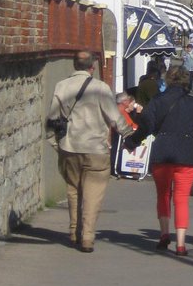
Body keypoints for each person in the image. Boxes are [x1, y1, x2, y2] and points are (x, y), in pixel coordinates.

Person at [125, 64, 193, 256]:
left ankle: (164, 234)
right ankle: (181, 244)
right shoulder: (192, 103)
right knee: (181, 199)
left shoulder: (158, 101)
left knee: (163, 195)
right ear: (186, 81)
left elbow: (146, 126)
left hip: (162, 151)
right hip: (186, 154)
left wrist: (132, 142)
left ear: (168, 80)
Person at [48, 51, 134, 251]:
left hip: (70, 146)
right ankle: (87, 237)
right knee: (92, 195)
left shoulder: (61, 86)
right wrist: (129, 136)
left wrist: (55, 144)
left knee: (73, 190)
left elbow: (52, 119)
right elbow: (115, 118)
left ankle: (73, 231)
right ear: (92, 67)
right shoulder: (101, 88)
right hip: (96, 149)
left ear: (74, 65)